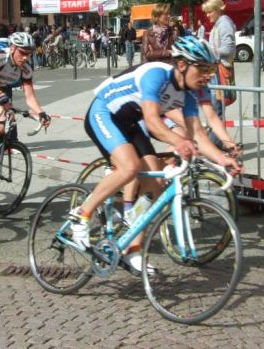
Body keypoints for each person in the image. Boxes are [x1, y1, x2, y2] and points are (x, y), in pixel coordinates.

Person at [68, 36, 241, 275]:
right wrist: (179, 142)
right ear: (182, 65)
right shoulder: (157, 74)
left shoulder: (190, 94)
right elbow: (151, 120)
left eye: (211, 70)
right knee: (129, 168)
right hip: (104, 112)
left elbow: (198, 134)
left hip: (129, 123)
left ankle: (133, 249)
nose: (208, 75)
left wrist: (222, 158)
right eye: (203, 69)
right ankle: (82, 214)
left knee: (155, 184)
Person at [0, 32, 51, 139]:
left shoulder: (26, 69)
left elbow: (30, 97)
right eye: (22, 52)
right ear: (12, 48)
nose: (25, 57)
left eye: (29, 54)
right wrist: (1, 95)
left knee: (6, 117)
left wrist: (41, 113)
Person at [202, 0, 236, 120]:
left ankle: (216, 132)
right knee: (215, 110)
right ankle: (216, 131)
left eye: (209, 12)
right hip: (215, 71)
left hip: (219, 71)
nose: (207, 15)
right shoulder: (218, 24)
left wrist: (209, 51)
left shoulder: (224, 24)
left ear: (218, 9)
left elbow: (228, 49)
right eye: (206, 12)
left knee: (217, 110)